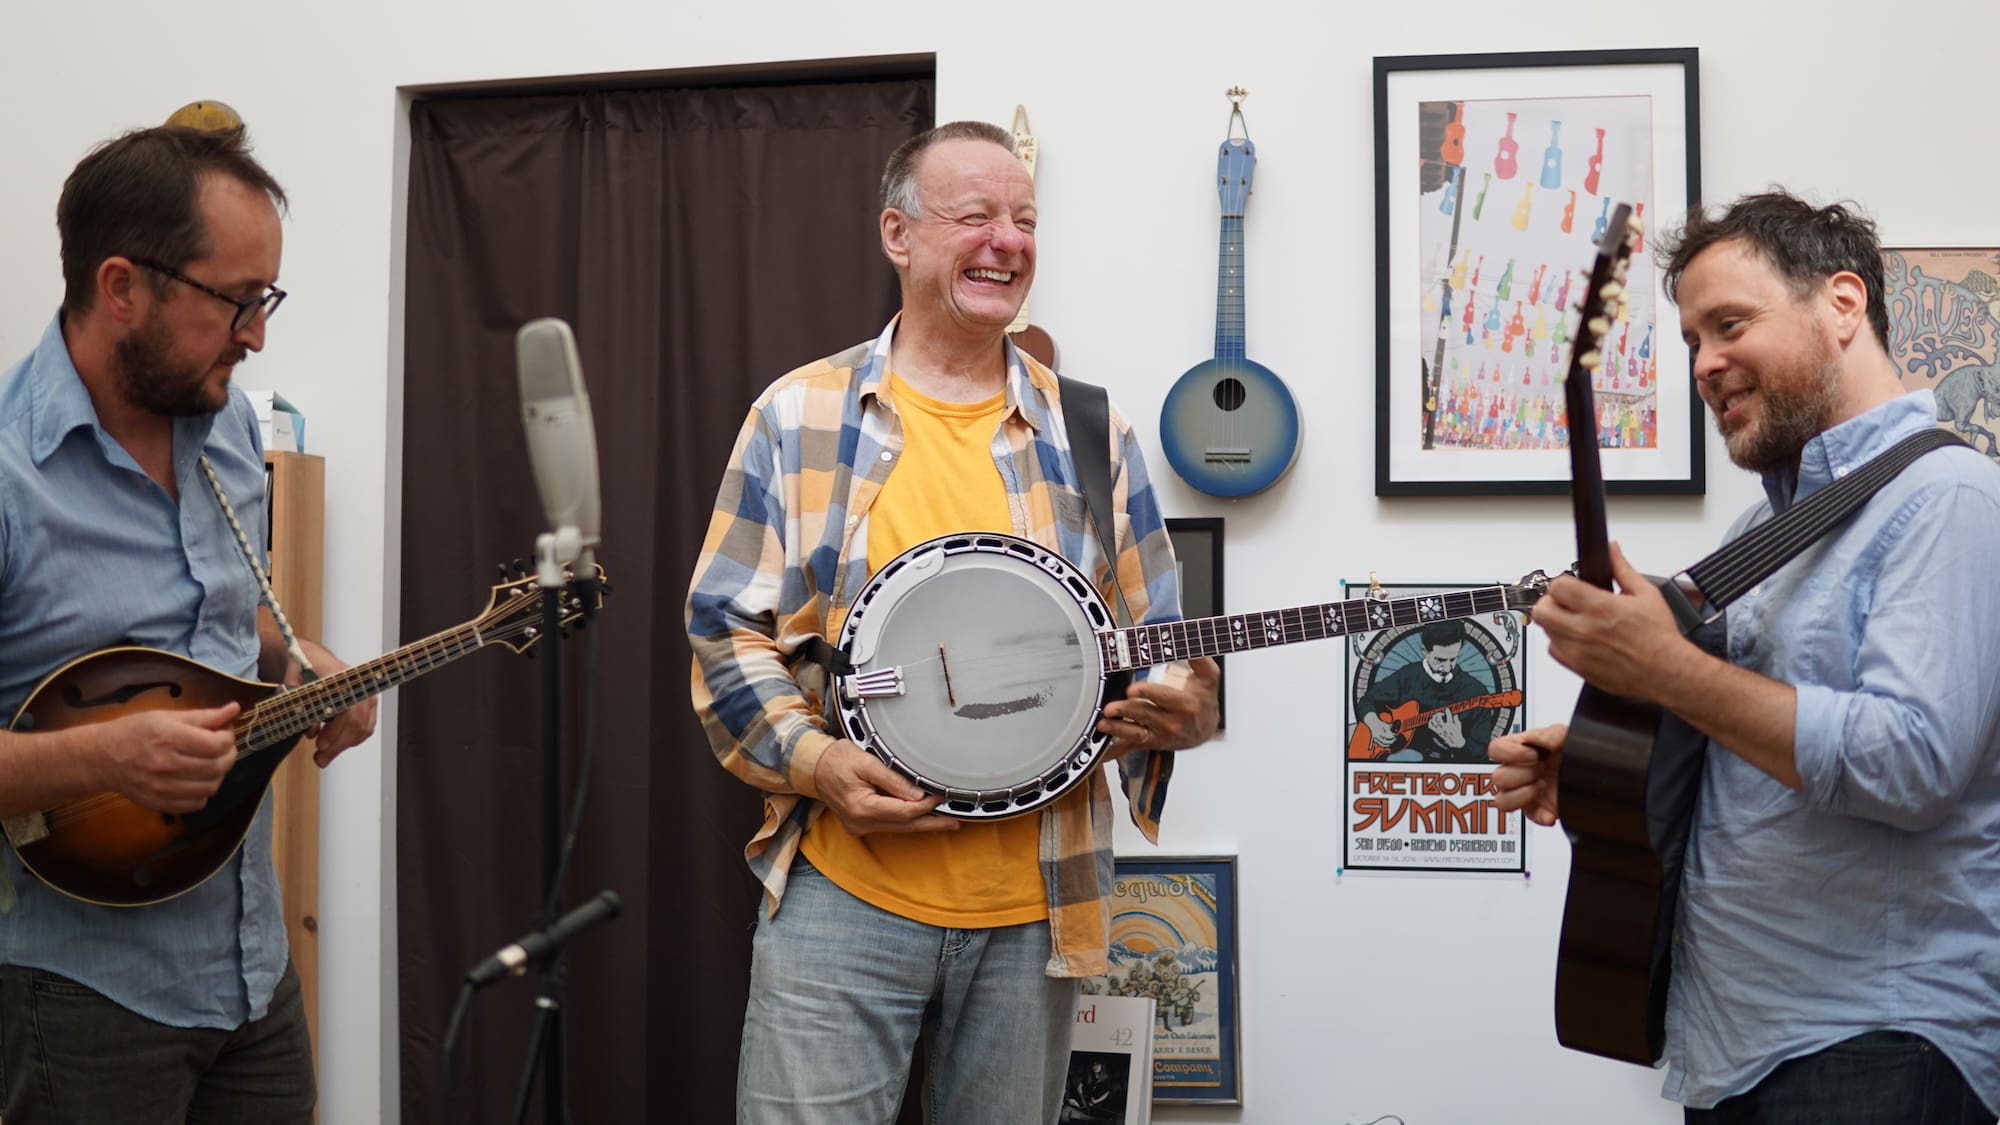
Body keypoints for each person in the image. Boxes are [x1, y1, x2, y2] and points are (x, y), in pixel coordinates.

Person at [685, 120, 1220, 1124]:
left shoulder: (1094, 432)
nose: (1006, 240)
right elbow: (726, 630)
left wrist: (1185, 709)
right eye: (975, 215)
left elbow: (1174, 649)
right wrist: (816, 764)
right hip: (842, 897)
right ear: (898, 234)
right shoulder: (795, 416)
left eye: (1023, 220)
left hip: (1038, 914)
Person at [1490, 191, 2000, 1123]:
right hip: (1737, 1045)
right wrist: (1613, 766)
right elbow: (1748, 738)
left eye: (1730, 324)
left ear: (1843, 305)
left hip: (1877, 1044)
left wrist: (1665, 669)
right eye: (1690, 340)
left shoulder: (1950, 498)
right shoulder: (1765, 530)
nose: (1706, 363)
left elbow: (1913, 759)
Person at [0, 124, 377, 1122]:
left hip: (252, 967)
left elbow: (222, 604)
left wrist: (301, 659)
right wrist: (107, 761)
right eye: (235, 300)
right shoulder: (6, 474)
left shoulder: (236, 430)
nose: (258, 335)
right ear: (121, 287)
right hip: (79, 993)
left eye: (268, 300)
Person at [1354, 619, 1498, 763]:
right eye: (1440, 660)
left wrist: (1460, 744)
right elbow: (1368, 700)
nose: (1447, 668)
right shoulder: (1407, 676)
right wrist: (1374, 724)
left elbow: (1483, 753)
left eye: (1453, 659)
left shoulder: (1476, 692)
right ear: (1425, 651)